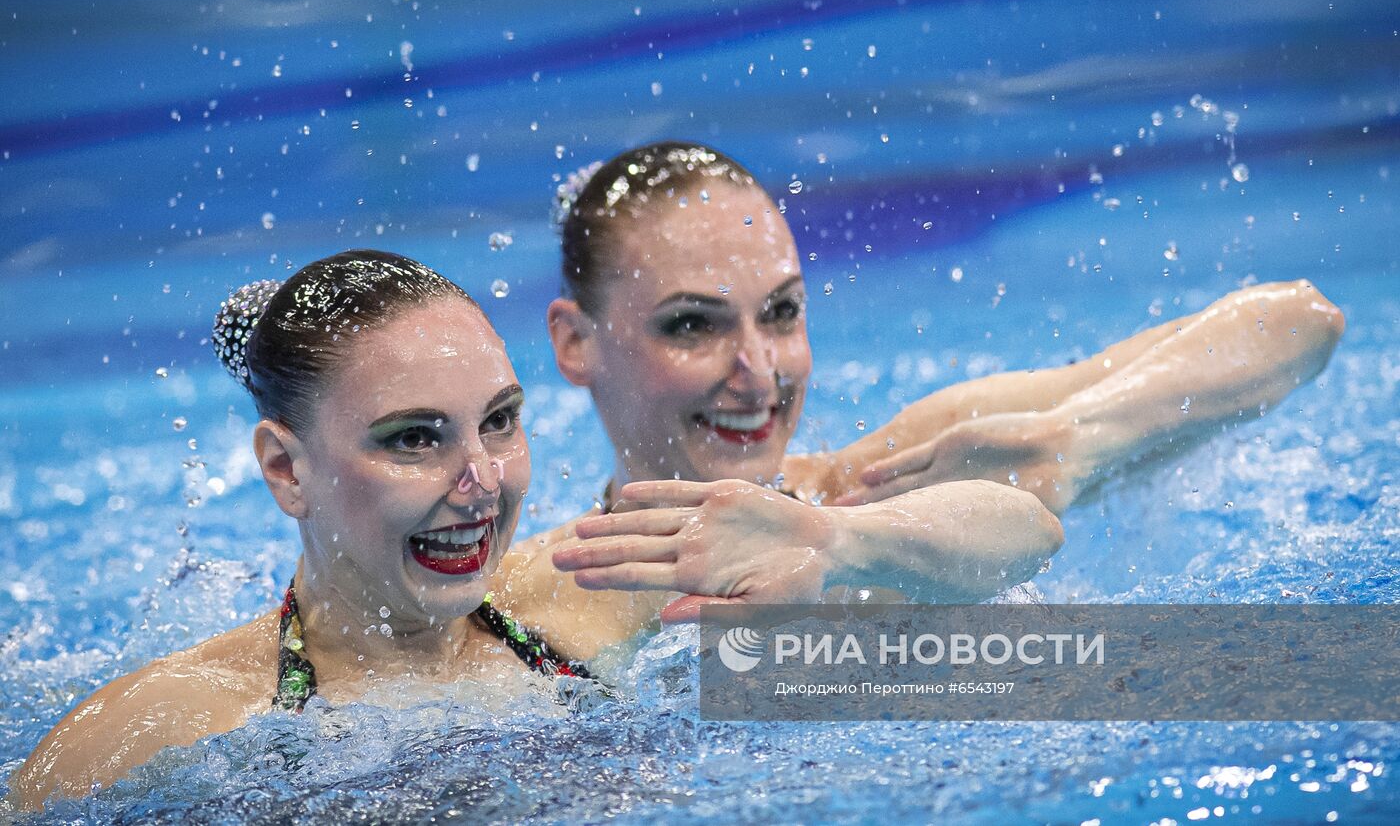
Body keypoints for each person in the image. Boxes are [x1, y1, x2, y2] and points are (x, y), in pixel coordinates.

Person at [12, 249, 1060, 808]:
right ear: (287, 469)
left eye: (501, 425)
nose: (481, 485)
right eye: (414, 439)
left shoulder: (591, 585)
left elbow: (1021, 529)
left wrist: (838, 544)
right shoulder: (173, 726)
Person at [541, 142, 1345, 585]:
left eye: (782, 313)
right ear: (576, 342)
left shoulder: (892, 479)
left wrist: (1072, 440)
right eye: (693, 324)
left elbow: (1294, 325)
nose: (759, 370)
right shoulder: (536, 605)